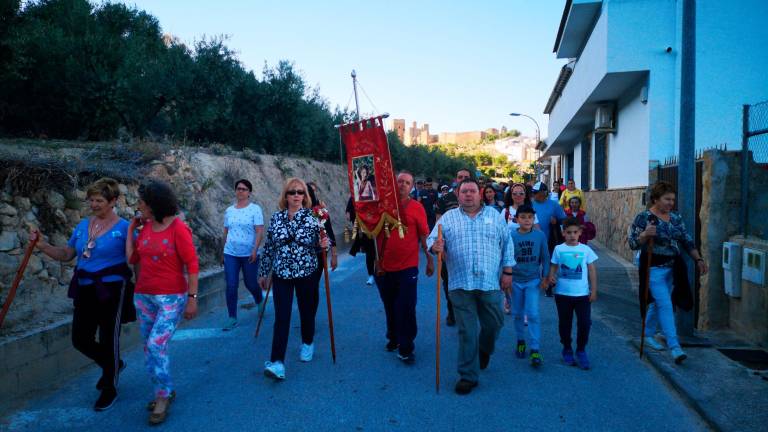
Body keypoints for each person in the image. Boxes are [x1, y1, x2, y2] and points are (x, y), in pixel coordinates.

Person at [30, 178, 132, 411]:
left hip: (112, 289)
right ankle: (114, 364)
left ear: (113, 201)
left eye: (99, 200)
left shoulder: (125, 228)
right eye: (91, 199)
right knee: (80, 339)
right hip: (85, 287)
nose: (94, 204)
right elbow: (67, 254)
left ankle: (109, 387)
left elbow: (137, 256)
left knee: (108, 339)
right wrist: (43, 246)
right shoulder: (83, 225)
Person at [427, 179, 514, 395]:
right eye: (464, 191)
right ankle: (468, 375)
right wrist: (435, 246)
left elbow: (508, 245)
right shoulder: (448, 218)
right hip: (460, 283)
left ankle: (484, 349)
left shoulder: (495, 216)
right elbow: (431, 240)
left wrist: (508, 272)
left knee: (494, 324)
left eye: (472, 191)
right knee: (467, 331)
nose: (468, 195)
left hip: (490, 282)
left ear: (480, 193)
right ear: (458, 194)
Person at [126, 180, 199, 425]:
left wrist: (192, 299)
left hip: (171, 297)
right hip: (144, 295)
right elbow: (132, 257)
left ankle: (163, 396)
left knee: (156, 346)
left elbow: (193, 265)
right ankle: (163, 389)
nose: (138, 207)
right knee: (149, 347)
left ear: (154, 204)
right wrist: (131, 230)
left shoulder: (179, 229)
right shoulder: (144, 227)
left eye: (142, 203)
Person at [629, 181, 708, 364]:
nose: (671, 203)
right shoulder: (644, 218)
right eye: (667, 199)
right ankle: (675, 347)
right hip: (653, 268)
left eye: (672, 199)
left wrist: (698, 259)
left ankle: (648, 334)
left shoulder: (676, 218)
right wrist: (645, 235)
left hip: (673, 268)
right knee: (665, 304)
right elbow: (633, 243)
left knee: (658, 303)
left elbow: (686, 240)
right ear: (656, 199)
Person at [258, 178, 329, 380]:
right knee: (282, 317)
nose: (296, 195)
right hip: (282, 275)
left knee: (307, 312)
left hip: (307, 273)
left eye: (300, 192)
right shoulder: (277, 218)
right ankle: (277, 362)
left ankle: (307, 342)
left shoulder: (313, 217)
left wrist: (325, 243)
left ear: (305, 196)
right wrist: (263, 272)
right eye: (292, 192)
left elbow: (325, 240)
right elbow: (270, 247)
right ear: (286, 196)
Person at [375, 171, 434, 364]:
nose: (402, 185)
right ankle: (393, 336)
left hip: (408, 266)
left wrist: (429, 258)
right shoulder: (380, 206)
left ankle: (406, 345)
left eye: (407, 182)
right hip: (384, 266)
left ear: (412, 187)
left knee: (406, 306)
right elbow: (367, 228)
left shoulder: (417, 207)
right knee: (390, 304)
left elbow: (424, 235)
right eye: (399, 181)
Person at [547, 217, 598, 370]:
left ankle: (581, 349)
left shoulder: (585, 250)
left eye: (575, 232)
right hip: (562, 294)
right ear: (563, 233)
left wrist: (594, 290)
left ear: (580, 233)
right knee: (565, 323)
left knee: (584, 323)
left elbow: (592, 270)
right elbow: (554, 266)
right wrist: (551, 276)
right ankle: (567, 348)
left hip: (582, 295)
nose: (572, 235)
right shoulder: (559, 249)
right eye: (569, 232)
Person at [508, 205, 550, 367]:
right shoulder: (511, 236)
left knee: (532, 313)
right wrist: (505, 279)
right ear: (517, 219)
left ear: (534, 219)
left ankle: (535, 347)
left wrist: (546, 276)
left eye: (530, 217)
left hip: (533, 280)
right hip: (516, 281)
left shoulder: (539, 236)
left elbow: (545, 257)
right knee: (517, 313)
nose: (527, 220)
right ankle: (520, 341)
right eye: (523, 217)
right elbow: (506, 259)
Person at [221, 179, 264, 331]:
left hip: (249, 253)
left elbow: (259, 230)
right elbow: (226, 231)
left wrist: (254, 249)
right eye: (238, 188)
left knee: (250, 283)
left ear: (249, 193)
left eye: (244, 189)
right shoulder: (229, 211)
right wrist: (222, 251)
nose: (241, 191)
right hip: (230, 253)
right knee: (231, 285)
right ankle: (232, 317)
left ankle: (259, 300)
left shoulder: (255, 209)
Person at [435, 168, 472, 326]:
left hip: (469, 249)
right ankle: (452, 310)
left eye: (466, 177)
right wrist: (440, 247)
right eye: (460, 176)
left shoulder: (475, 198)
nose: (463, 178)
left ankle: (466, 312)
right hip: (449, 251)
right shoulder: (444, 199)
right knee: (449, 283)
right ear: (455, 179)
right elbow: (438, 225)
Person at [307, 182, 338, 312]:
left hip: (318, 254)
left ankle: (310, 317)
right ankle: (307, 313)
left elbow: (329, 232)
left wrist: (334, 256)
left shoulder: (319, 211)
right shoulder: (292, 212)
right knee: (303, 289)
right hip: (299, 256)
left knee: (312, 287)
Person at [532, 181, 567, 297]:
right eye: (533, 192)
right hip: (534, 241)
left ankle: (547, 285)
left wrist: (556, 222)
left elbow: (564, 220)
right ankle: (533, 284)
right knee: (534, 263)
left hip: (550, 240)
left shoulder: (554, 205)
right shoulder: (530, 204)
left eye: (536, 193)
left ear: (544, 192)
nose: (534, 195)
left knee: (548, 264)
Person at [347, 195, 376, 285]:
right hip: (366, 228)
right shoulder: (355, 196)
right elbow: (348, 212)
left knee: (381, 252)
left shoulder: (377, 194)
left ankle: (382, 272)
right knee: (370, 253)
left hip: (380, 226)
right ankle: (371, 274)